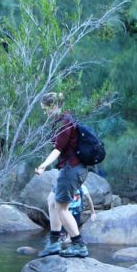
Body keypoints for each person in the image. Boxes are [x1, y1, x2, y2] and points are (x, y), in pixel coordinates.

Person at [34, 92, 89, 258]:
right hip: (69, 169)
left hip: (71, 169)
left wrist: (43, 166)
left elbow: (58, 149)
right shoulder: (63, 120)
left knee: (61, 208)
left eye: (46, 109)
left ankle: (79, 245)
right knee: (52, 201)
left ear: (53, 106)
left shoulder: (65, 123)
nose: (45, 113)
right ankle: (54, 242)